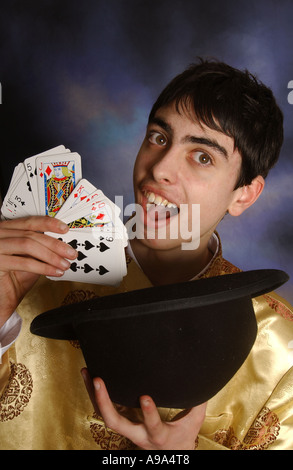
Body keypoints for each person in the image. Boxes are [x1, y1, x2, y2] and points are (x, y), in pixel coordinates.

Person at [0, 58, 292, 450]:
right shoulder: (30, 277)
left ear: (245, 194)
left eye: (202, 156)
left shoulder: (282, 351)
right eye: (158, 137)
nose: (160, 169)